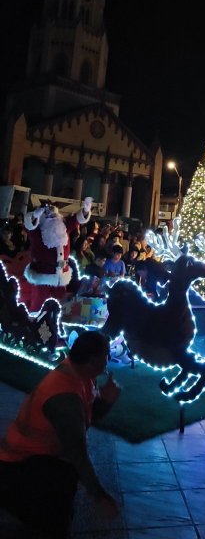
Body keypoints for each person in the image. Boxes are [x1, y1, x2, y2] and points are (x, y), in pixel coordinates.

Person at [0, 331, 120, 538]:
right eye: (106, 355)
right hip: (21, 463)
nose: (108, 359)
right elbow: (77, 453)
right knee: (56, 505)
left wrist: (106, 401)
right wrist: (100, 496)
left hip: (43, 457)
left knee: (64, 482)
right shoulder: (65, 396)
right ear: (93, 360)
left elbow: (85, 420)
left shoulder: (82, 374)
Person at [23, 198, 92, 311]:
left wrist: (85, 210)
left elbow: (76, 220)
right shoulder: (37, 230)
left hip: (61, 274)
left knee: (60, 305)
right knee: (39, 304)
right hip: (42, 274)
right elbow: (29, 226)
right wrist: (34, 216)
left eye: (53, 209)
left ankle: (57, 320)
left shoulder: (63, 226)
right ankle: (36, 320)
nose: (51, 213)